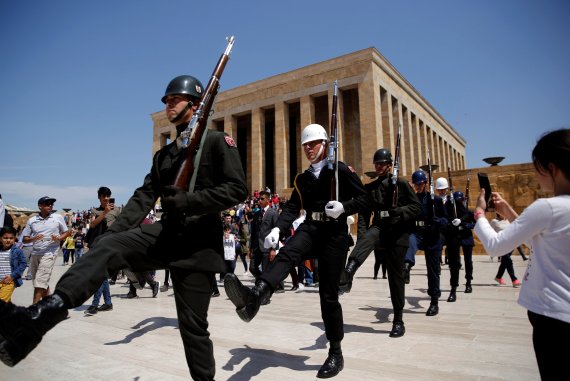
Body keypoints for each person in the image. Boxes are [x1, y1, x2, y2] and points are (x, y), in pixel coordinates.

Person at [0, 74, 248, 380]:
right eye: (166, 101)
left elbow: (237, 190)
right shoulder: (165, 154)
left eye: (175, 100)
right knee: (108, 245)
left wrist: (190, 201)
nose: (168, 105)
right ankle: (43, 315)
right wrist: (115, 235)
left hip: (198, 242)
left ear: (196, 105)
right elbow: (144, 196)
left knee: (193, 327)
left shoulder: (215, 142)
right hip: (166, 233)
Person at [224, 123, 368, 378]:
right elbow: (292, 208)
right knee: (287, 253)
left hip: (334, 234)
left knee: (328, 296)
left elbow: (366, 199)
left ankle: (336, 352)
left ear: (325, 144)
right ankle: (256, 295)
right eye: (305, 145)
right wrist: (278, 229)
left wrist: (344, 207)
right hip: (311, 228)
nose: (308, 148)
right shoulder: (302, 179)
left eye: (313, 144)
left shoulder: (340, 171)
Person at [473, 128, 570, 380]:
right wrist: (511, 215)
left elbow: (496, 245)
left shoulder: (547, 207)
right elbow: (542, 242)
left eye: (537, 168)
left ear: (552, 168)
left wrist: (479, 213)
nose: (536, 176)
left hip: (554, 316)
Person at [339, 148, 421, 337]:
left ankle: (398, 319)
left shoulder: (400, 184)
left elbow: (416, 207)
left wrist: (398, 212)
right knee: (369, 236)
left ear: (390, 165)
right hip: (380, 228)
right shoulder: (372, 187)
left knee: (395, 277)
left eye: (382, 164)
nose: (378, 166)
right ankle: (349, 271)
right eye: (376, 163)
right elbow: (364, 213)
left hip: (398, 233)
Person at [404, 170, 448, 316]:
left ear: (425, 183)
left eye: (421, 183)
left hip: (432, 235)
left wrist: (438, 221)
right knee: (410, 241)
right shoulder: (412, 199)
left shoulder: (434, 200)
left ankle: (434, 301)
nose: (419, 186)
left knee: (433, 271)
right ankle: (406, 266)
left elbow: (445, 220)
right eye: (416, 184)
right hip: (417, 232)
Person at [21, 196, 71, 303]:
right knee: (40, 282)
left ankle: (34, 310)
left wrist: (59, 238)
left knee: (39, 282)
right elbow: (24, 239)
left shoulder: (57, 217)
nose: (50, 205)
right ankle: (51, 305)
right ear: (40, 206)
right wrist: (33, 238)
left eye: (51, 204)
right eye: (47, 203)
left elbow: (67, 232)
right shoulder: (32, 220)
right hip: (35, 252)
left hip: (50, 252)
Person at [84, 187, 122, 316]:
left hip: (110, 246)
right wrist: (104, 213)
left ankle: (94, 305)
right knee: (103, 276)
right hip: (97, 245)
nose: (106, 198)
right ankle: (108, 303)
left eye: (108, 196)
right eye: (103, 196)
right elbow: (93, 224)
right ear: (99, 197)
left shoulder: (117, 210)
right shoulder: (95, 210)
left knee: (99, 275)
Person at [450, 191, 476, 293]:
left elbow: (475, 224)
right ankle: (454, 285)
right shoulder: (452, 212)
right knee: (455, 262)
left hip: (466, 236)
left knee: (468, 261)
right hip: (456, 236)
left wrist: (466, 225)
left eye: (460, 200)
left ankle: (468, 282)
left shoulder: (468, 212)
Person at [488, 213, 522, 288]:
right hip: (500, 245)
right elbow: (489, 233)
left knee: (504, 262)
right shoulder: (494, 221)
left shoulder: (508, 221)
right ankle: (514, 280)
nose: (503, 213)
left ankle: (498, 277)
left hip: (510, 245)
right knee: (509, 261)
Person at [0, 226, 27, 303]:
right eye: (5, 238)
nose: (8, 240)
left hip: (8, 282)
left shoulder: (17, 251)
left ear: (15, 238)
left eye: (11, 238)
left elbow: (23, 264)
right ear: (0, 238)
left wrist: (12, 276)